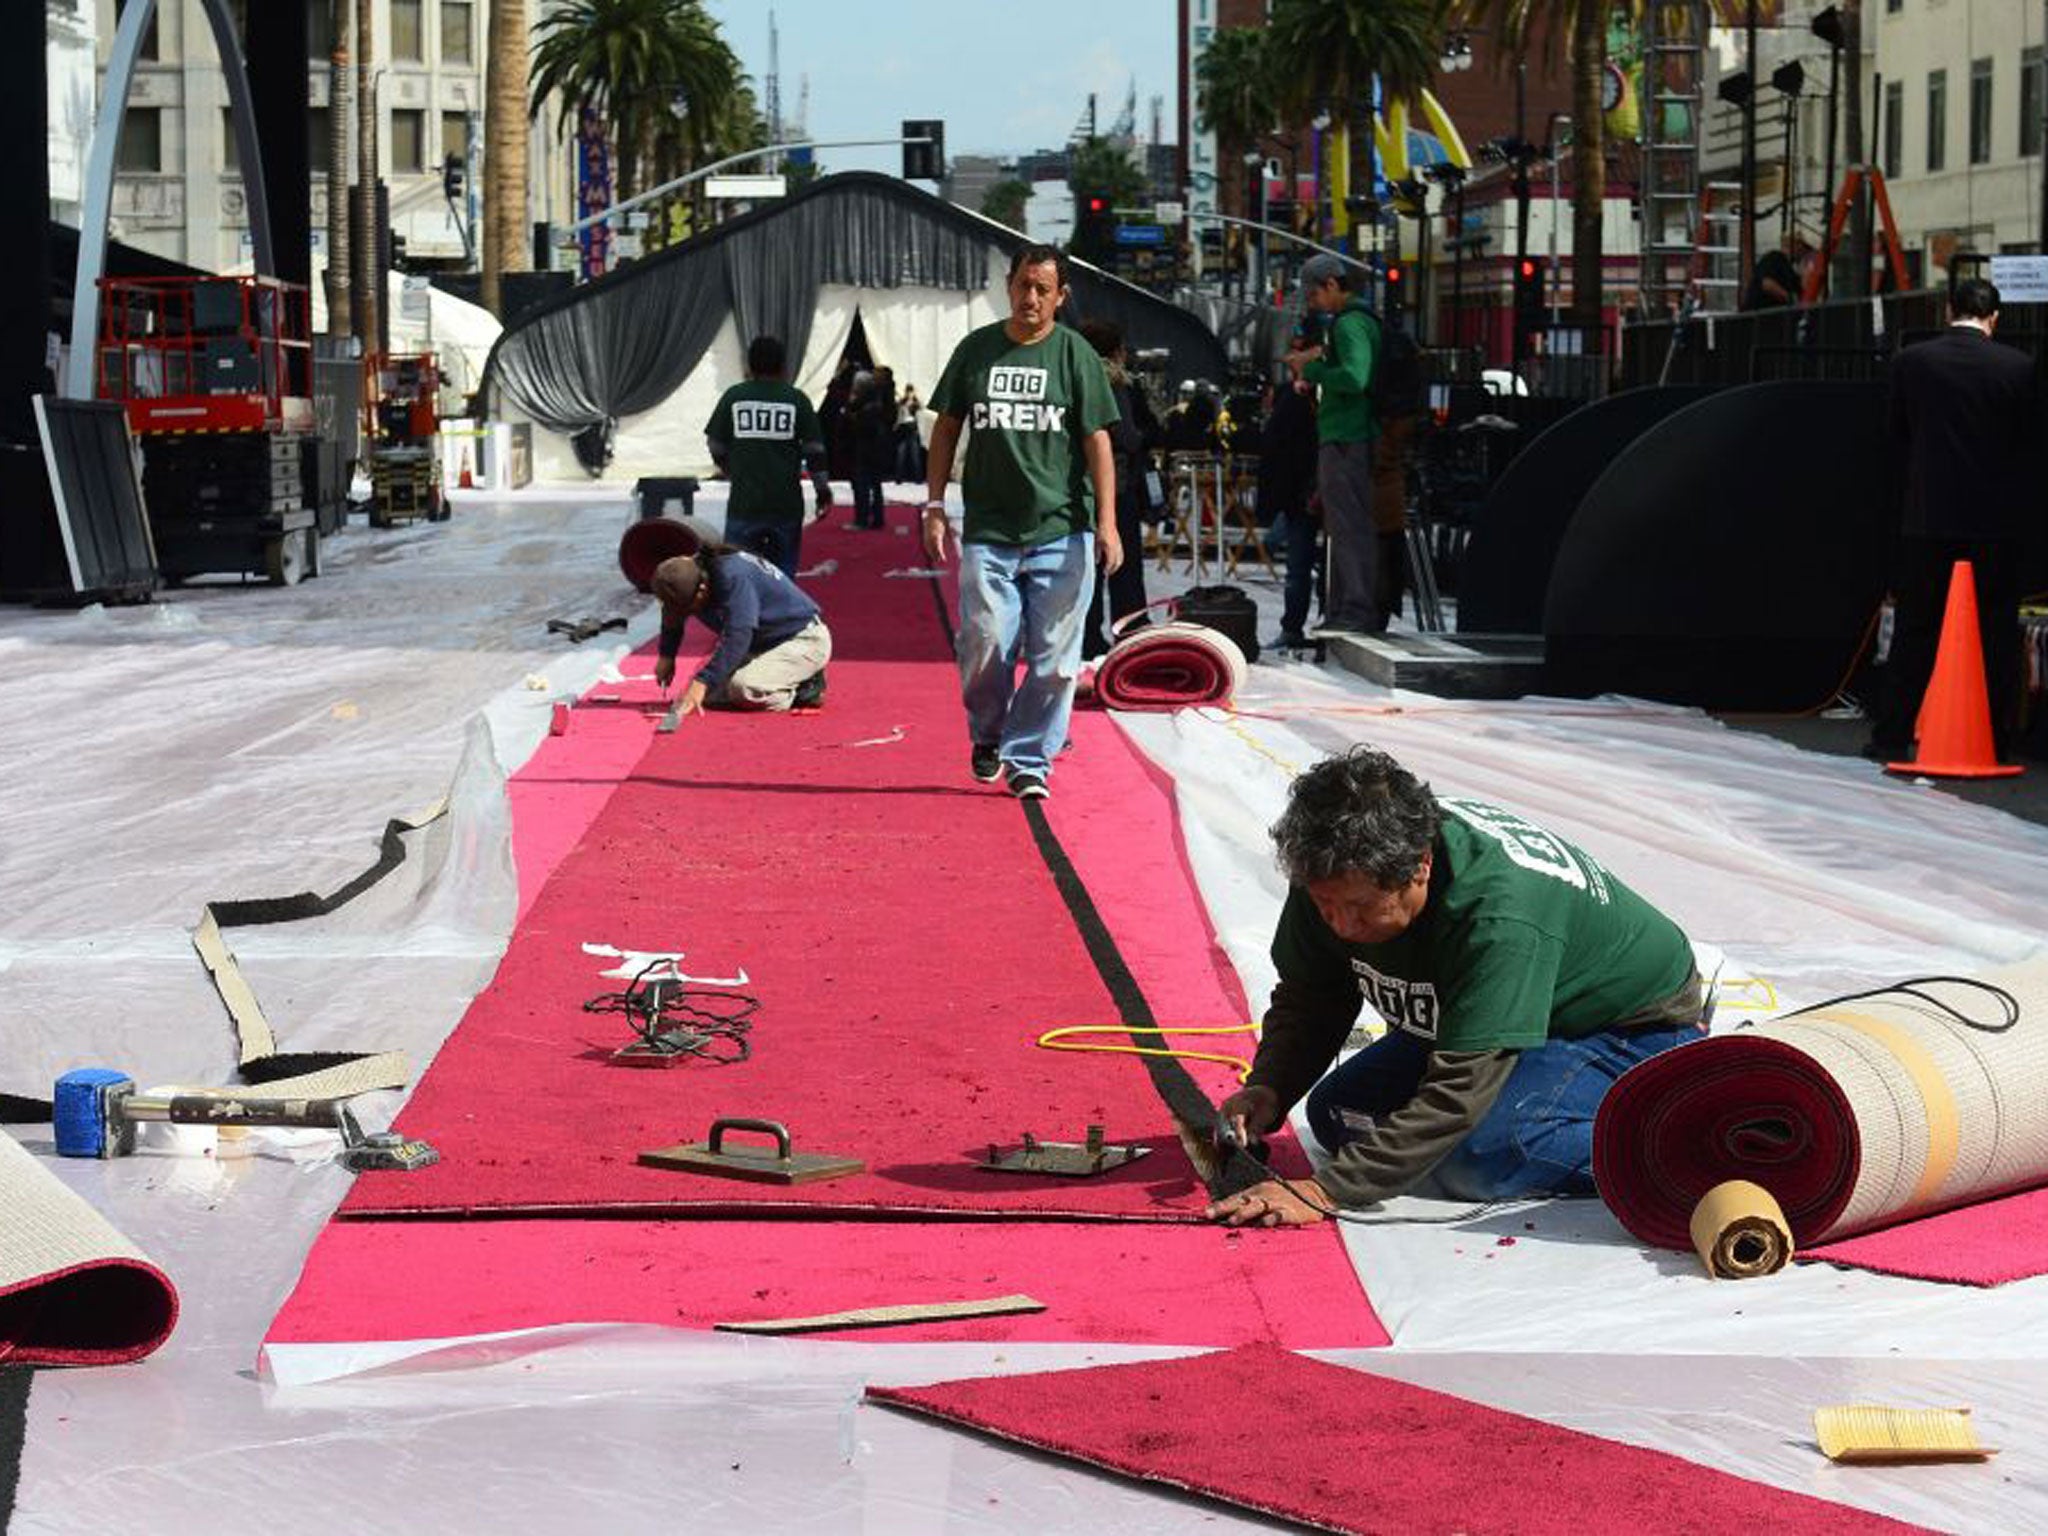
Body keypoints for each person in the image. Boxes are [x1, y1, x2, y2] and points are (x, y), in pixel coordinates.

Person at [1207, 746, 1705, 1227]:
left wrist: (1326, 1192)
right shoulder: (1331, 867)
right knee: (1342, 1114)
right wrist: (1269, 1089)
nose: (1341, 924)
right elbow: (1311, 996)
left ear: (1420, 866)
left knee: (1475, 1153)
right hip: (1490, 1008)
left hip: (1627, 1026)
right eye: (1325, 905)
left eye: (1361, 907)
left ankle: (1684, 1134)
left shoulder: (1498, 915)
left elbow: (1457, 1094)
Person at [923, 243, 1121, 801]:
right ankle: (988, 735)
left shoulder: (1075, 355)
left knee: (1056, 659)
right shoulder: (977, 350)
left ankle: (1031, 757)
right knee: (984, 641)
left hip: (1062, 528)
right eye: (1022, 285)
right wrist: (934, 506)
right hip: (990, 530)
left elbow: (1098, 440)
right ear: (1008, 285)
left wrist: (1107, 522)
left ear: (1061, 297)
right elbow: (946, 428)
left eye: (1042, 289)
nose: (1030, 298)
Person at [1864, 276, 2039, 764]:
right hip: (1995, 523)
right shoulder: (2020, 368)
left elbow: (1895, 434)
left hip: (1928, 517)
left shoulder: (1911, 363)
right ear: (1995, 317)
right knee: (1996, 630)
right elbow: (2028, 443)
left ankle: (1892, 733)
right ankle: (1998, 742)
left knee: (1915, 628)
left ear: (1947, 311)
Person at [1285, 254, 1380, 635]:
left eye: (1312, 295)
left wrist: (1312, 370)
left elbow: (1355, 377)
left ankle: (1354, 608)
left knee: (1347, 526)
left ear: (1330, 285)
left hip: (1346, 436)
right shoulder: (1361, 321)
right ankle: (1347, 607)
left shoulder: (1348, 326)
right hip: (1353, 435)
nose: (1311, 303)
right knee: (1346, 525)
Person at [704, 335, 832, 577]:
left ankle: (745, 614)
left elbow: (715, 444)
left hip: (744, 505)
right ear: (784, 365)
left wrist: (732, 469)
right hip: (785, 506)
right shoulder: (797, 400)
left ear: (749, 365)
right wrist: (822, 491)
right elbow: (815, 453)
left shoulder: (734, 397)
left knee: (737, 575)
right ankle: (781, 613)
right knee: (782, 576)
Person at [650, 547, 831, 715]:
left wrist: (703, 681)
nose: (685, 614)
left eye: (688, 608)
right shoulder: (693, 573)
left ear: (701, 591)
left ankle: (805, 687)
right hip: (763, 644)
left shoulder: (733, 577)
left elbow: (738, 636)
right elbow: (671, 614)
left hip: (802, 639)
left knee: (744, 689)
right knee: (705, 693)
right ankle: (778, 675)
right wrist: (667, 655)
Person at [1078, 319, 1161, 661]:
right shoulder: (1115, 383)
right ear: (1116, 351)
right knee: (1122, 563)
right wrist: (1144, 439)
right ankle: (1130, 629)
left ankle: (1086, 633)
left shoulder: (1074, 378)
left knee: (1087, 566)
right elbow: (1127, 435)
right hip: (1118, 484)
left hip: (1080, 486)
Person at [1260, 371, 1322, 650]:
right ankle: (1298, 625)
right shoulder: (1305, 404)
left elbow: (1278, 452)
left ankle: (1292, 628)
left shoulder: (1292, 404)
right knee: (1301, 564)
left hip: (1300, 495)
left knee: (1297, 567)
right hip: (1306, 493)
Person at [848, 366, 896, 530]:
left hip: (867, 443)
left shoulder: (872, 393)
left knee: (862, 482)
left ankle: (862, 519)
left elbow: (853, 407)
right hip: (880, 445)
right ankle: (878, 518)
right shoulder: (889, 396)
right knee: (875, 483)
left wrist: (857, 414)